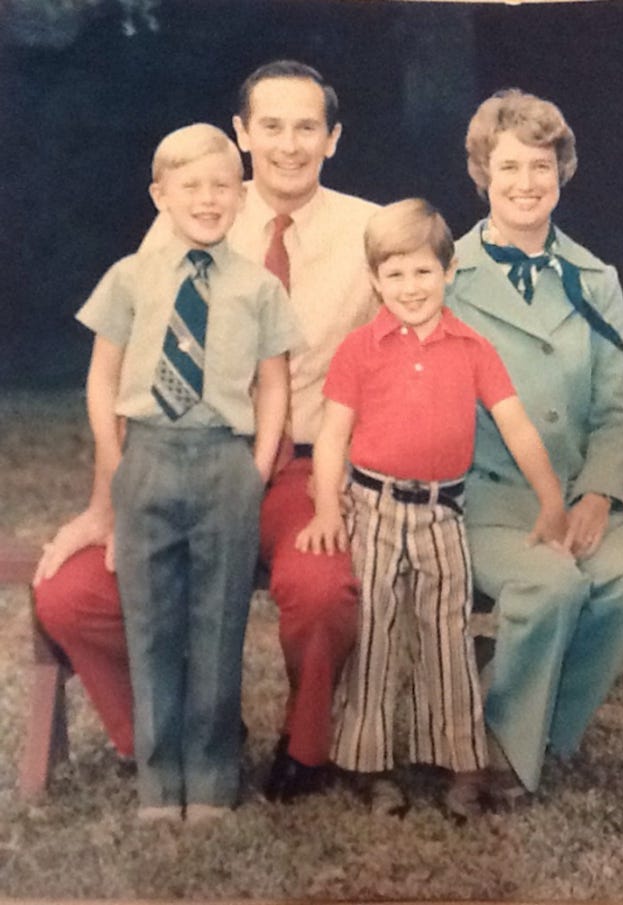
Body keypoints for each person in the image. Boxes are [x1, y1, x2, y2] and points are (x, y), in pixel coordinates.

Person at [33, 61, 379, 801]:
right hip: (183, 463)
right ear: (242, 132)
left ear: (334, 138)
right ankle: (181, 733)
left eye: (308, 127)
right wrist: (106, 504)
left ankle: (307, 748)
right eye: (272, 126)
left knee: (322, 589)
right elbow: (130, 374)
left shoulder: (370, 231)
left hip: (302, 469)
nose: (289, 145)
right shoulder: (191, 208)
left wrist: (354, 485)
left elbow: (408, 346)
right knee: (70, 596)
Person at [295, 198, 568, 818]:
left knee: (447, 637)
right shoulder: (359, 349)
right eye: (395, 274)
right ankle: (369, 765)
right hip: (374, 508)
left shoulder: (472, 348)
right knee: (377, 636)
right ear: (374, 281)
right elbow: (333, 436)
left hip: (443, 514)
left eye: (423, 272)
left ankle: (460, 766)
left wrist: (551, 500)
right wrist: (327, 510)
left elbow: (518, 426)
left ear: (448, 273)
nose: (410, 287)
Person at [446, 89, 623, 799]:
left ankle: (539, 727)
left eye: (540, 166)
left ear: (561, 171)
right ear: (483, 172)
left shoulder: (594, 280)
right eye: (509, 166)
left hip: (579, 493)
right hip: (487, 499)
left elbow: (618, 410)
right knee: (549, 584)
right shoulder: (445, 276)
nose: (525, 184)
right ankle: (504, 756)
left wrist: (599, 494)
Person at [74, 123, 299, 822]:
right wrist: (117, 465)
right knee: (151, 624)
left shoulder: (258, 288)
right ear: (160, 194)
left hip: (224, 462)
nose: (207, 199)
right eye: (191, 186)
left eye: (222, 186)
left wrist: (256, 467)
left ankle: (209, 780)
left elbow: (275, 385)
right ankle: (156, 782)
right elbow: (101, 377)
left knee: (218, 623)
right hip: (147, 455)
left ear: (242, 194)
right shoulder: (130, 277)